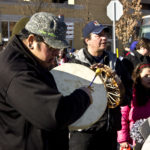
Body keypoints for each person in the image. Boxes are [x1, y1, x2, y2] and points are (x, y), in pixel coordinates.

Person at [0, 12, 93, 150]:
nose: (57, 53)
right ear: (31, 41)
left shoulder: (31, 60)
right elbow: (54, 114)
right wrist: (83, 96)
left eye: (58, 48)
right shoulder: (17, 72)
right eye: (51, 47)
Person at [69, 20, 132, 150]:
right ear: (87, 40)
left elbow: (128, 89)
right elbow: (67, 95)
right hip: (83, 133)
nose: (104, 38)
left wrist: (119, 97)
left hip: (109, 130)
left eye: (105, 34)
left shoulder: (115, 62)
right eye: (98, 35)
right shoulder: (75, 63)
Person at [117, 63, 150, 150]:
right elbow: (122, 117)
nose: (149, 78)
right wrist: (123, 139)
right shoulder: (131, 94)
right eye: (146, 76)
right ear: (138, 77)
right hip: (135, 139)